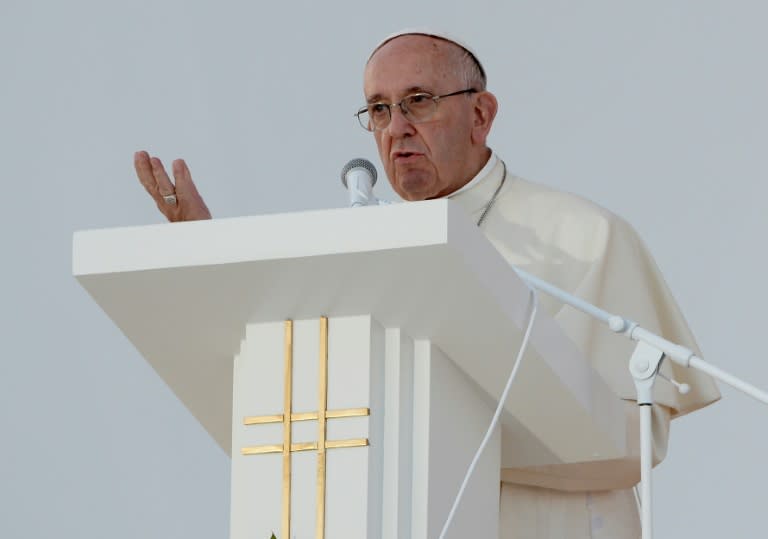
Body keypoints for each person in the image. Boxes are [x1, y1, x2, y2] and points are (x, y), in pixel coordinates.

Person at [134, 29, 720, 539]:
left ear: (482, 114)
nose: (397, 129)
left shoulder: (584, 234)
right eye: (380, 110)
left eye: (418, 101)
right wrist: (202, 252)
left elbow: (630, 445)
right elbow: (294, 395)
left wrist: (432, 433)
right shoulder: (361, 250)